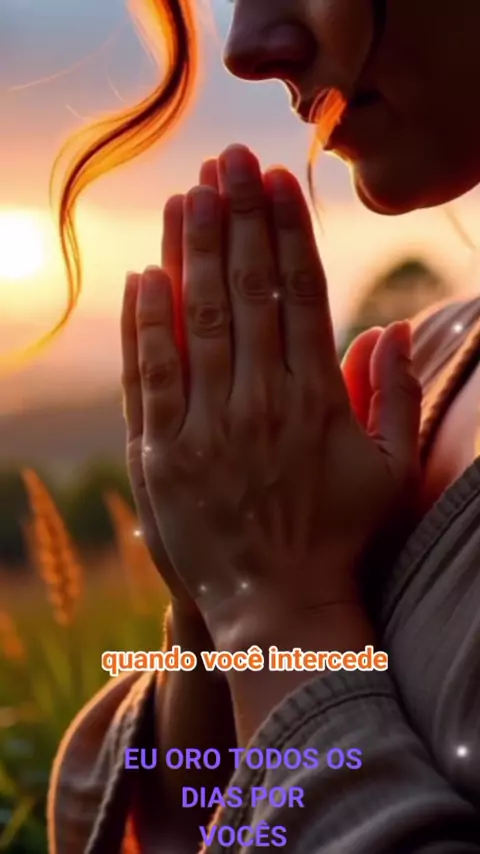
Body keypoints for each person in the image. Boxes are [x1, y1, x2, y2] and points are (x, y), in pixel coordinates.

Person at [47, 1, 480, 852]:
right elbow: (182, 826)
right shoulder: (424, 370)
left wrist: (278, 614)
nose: (249, 49)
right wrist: (217, 577)